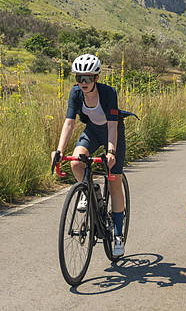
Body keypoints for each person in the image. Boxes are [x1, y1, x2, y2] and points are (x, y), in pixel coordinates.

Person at [51, 53, 126, 257]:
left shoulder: (109, 93)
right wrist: (59, 151)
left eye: (88, 78)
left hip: (112, 132)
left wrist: (111, 152)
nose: (83, 83)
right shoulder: (75, 93)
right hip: (92, 131)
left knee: (114, 182)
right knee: (76, 163)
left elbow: (112, 126)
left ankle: (118, 234)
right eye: (79, 78)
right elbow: (69, 123)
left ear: (96, 78)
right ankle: (88, 190)